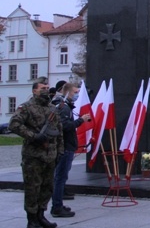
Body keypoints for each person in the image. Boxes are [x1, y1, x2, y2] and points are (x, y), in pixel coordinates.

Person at [9, 77, 64, 228]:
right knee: (33, 188)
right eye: (42, 88)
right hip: (33, 156)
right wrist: (34, 136)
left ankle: (41, 216)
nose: (46, 90)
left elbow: (59, 132)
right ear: (34, 91)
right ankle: (32, 219)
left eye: (47, 87)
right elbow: (14, 124)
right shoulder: (26, 107)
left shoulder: (52, 109)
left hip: (50, 156)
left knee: (47, 188)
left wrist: (60, 151)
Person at [51, 83, 92, 218]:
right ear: (68, 92)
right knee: (60, 178)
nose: (77, 94)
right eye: (75, 92)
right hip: (65, 147)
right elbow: (64, 126)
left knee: (61, 177)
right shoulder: (63, 108)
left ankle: (58, 204)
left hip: (67, 146)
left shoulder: (65, 107)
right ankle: (56, 206)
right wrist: (81, 120)